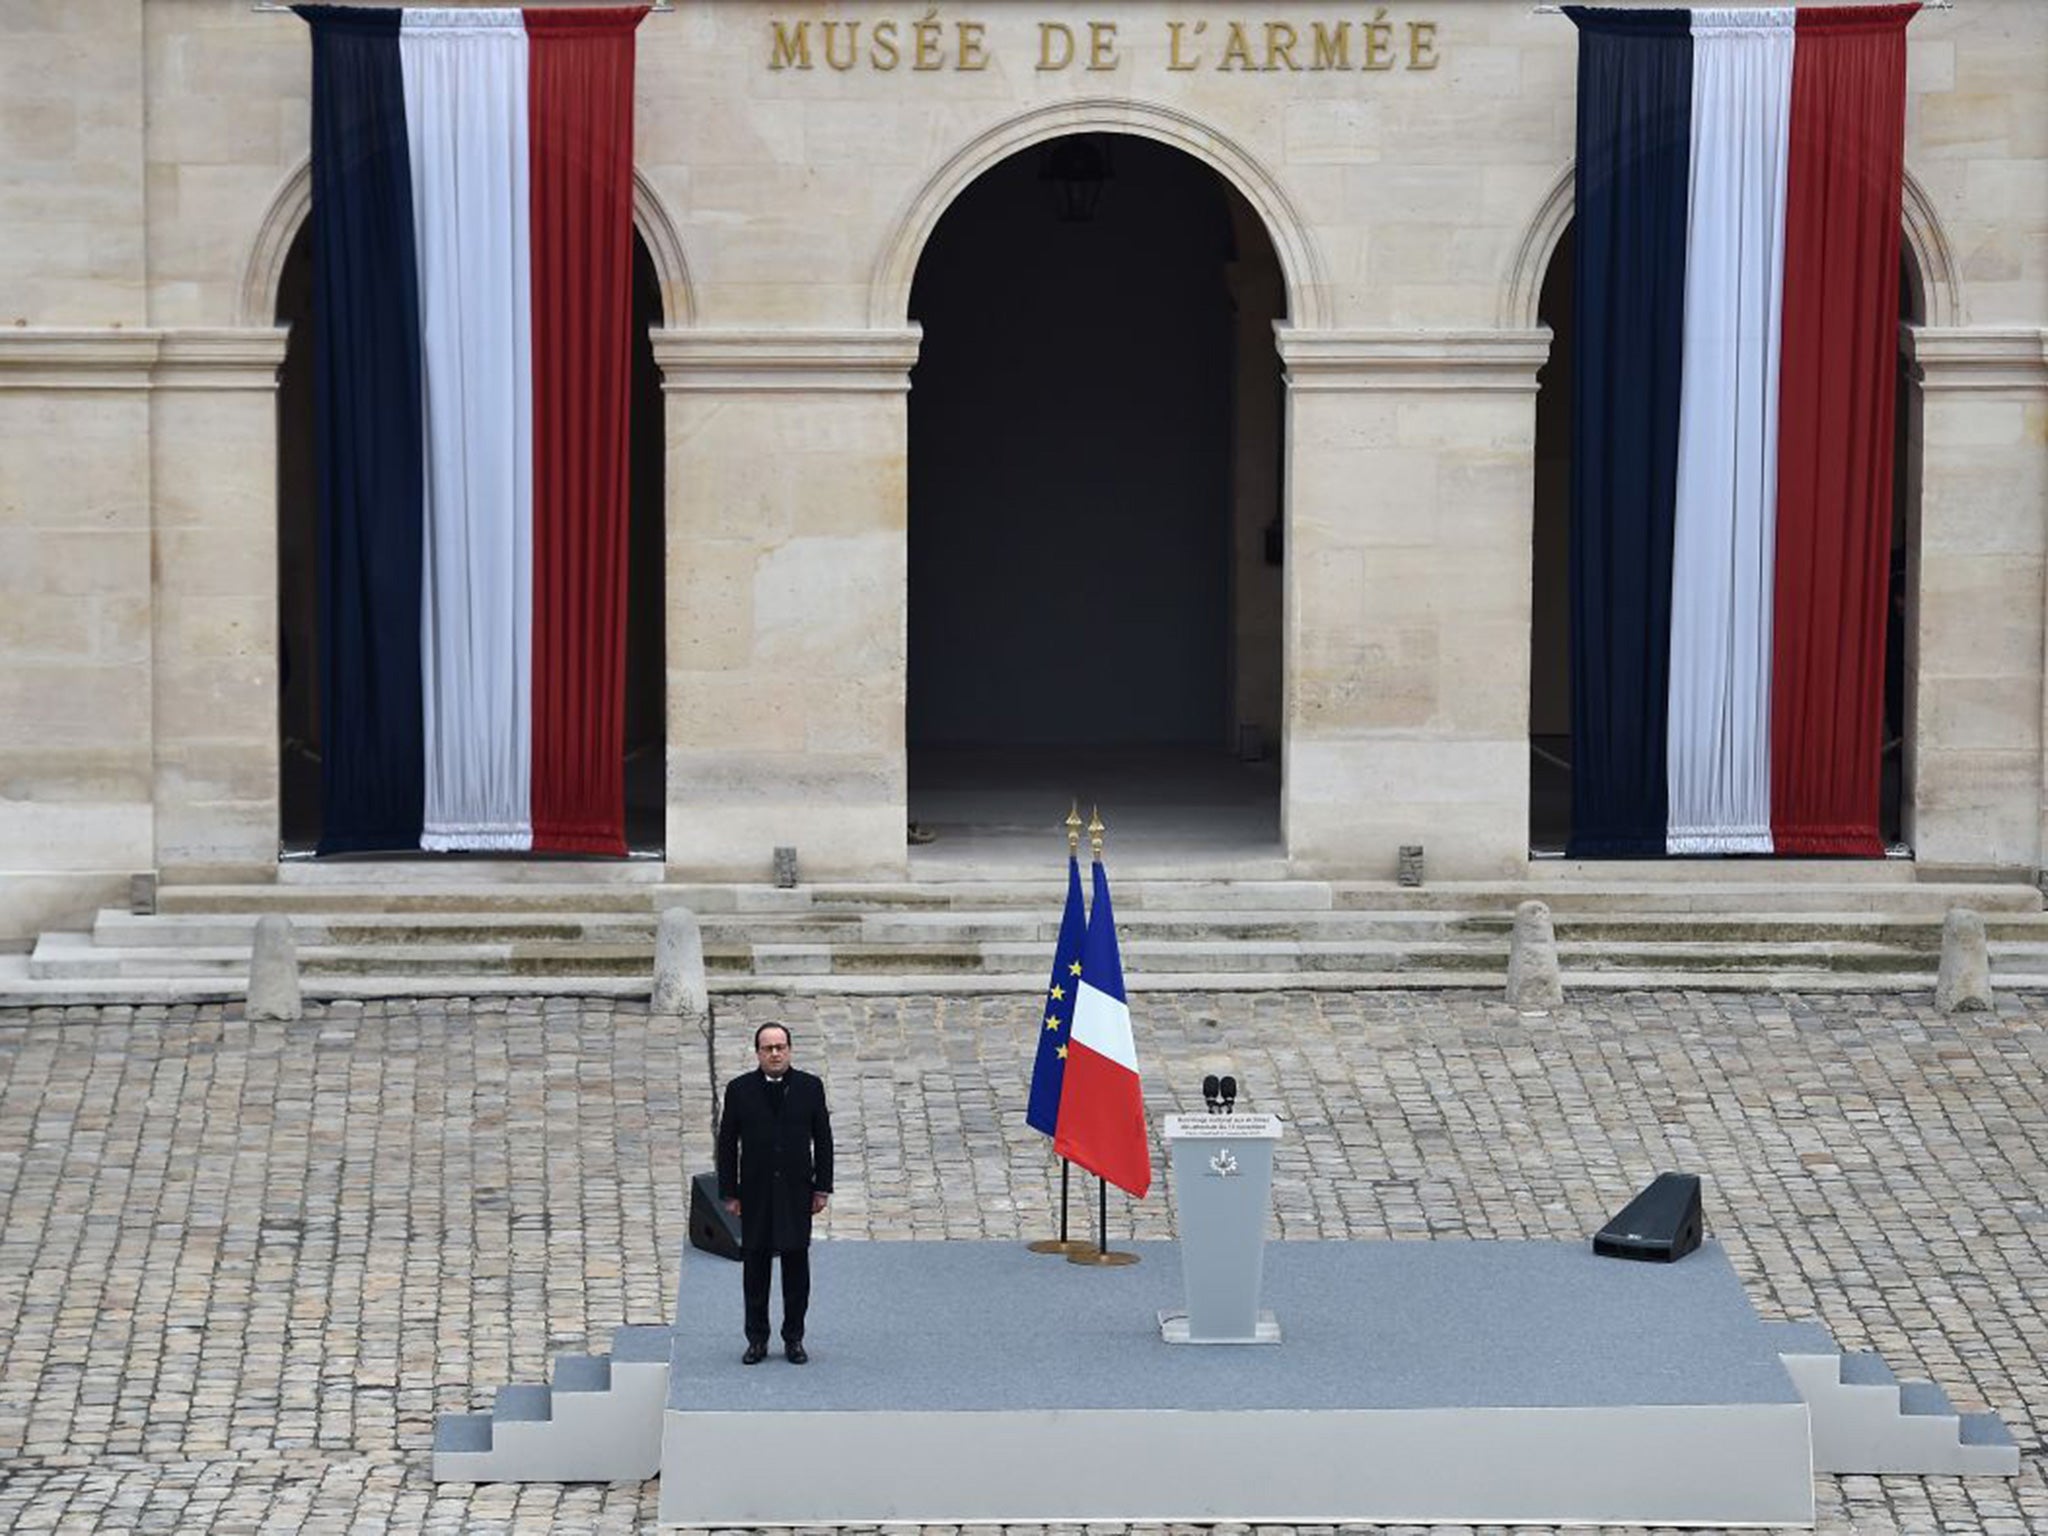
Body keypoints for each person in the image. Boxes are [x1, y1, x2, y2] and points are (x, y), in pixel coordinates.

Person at [716, 1022, 833, 1364]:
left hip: (797, 1193)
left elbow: (822, 1139)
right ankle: (757, 1339)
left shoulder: (811, 1087)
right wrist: (729, 1192)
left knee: (796, 1268)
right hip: (755, 1193)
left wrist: (822, 1187)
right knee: (756, 1268)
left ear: (790, 1050)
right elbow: (727, 1143)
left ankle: (794, 1338)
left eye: (780, 1047)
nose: (775, 1053)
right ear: (758, 1053)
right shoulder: (739, 1090)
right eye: (768, 1048)